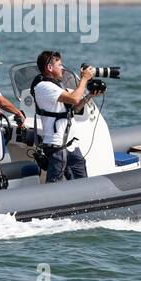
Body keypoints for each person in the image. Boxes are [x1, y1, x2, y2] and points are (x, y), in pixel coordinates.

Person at [31, 50, 99, 183]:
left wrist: (90, 95)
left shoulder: (56, 85)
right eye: (59, 65)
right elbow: (74, 98)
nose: (62, 68)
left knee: (83, 183)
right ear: (50, 67)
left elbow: (73, 109)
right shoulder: (43, 86)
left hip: (71, 145)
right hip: (56, 147)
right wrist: (84, 79)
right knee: (54, 185)